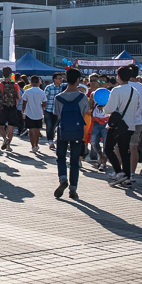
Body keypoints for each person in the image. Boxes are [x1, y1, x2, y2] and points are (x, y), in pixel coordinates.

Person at [52, 68, 89, 199]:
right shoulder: (83, 97)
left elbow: (58, 116)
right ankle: (73, 188)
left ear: (66, 79)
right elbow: (84, 114)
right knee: (74, 161)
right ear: (78, 80)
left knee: (60, 157)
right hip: (78, 132)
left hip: (63, 131)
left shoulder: (58, 98)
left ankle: (63, 179)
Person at [102, 65, 140, 188]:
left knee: (108, 148)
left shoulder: (117, 90)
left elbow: (109, 109)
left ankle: (119, 172)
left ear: (118, 76)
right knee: (124, 151)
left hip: (118, 126)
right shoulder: (135, 91)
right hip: (130, 125)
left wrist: (104, 108)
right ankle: (127, 176)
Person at [0, 68, 21, 152]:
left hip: (3, 107)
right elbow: (19, 97)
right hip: (12, 107)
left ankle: (4, 138)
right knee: (11, 127)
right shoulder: (15, 85)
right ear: (11, 74)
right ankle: (8, 146)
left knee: (1, 126)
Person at [20, 75, 47, 152]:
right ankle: (36, 144)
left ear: (31, 82)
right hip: (38, 113)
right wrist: (40, 106)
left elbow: (24, 103)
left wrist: (23, 112)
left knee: (31, 131)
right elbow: (44, 104)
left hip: (29, 113)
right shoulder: (42, 92)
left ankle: (33, 146)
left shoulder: (27, 92)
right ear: (39, 83)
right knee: (37, 130)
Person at [43, 72, 65, 150]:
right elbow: (44, 98)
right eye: (59, 78)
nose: (61, 80)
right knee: (49, 126)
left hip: (59, 111)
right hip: (49, 110)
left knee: (56, 126)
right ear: (54, 79)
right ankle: (50, 141)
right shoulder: (49, 87)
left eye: (61, 78)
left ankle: (54, 137)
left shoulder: (63, 87)